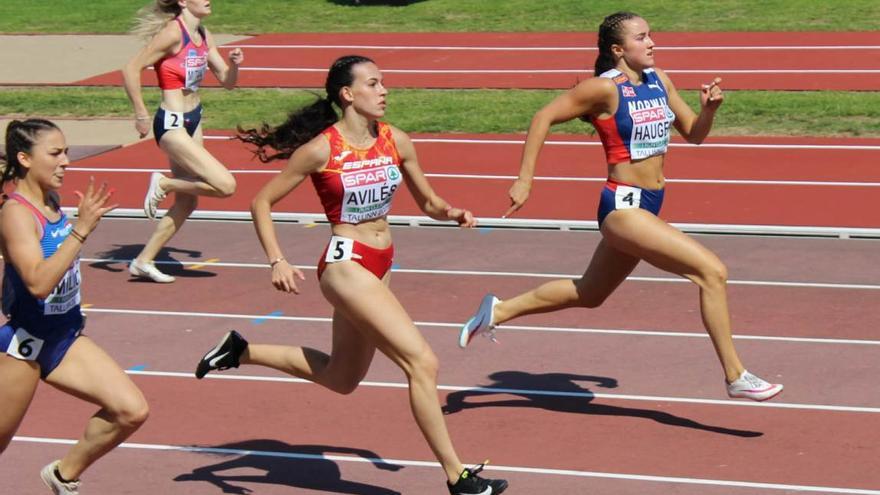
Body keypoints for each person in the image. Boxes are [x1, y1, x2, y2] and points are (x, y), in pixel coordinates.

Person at [194, 55, 508, 495]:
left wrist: (451, 212)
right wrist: (276, 259)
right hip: (345, 264)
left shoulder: (396, 140)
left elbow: (429, 202)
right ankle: (457, 477)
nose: (384, 91)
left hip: (381, 263)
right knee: (422, 362)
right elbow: (260, 202)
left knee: (342, 379)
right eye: (374, 84)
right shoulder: (322, 149)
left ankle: (241, 351)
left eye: (384, 83)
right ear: (347, 94)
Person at [459, 12, 783, 402]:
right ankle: (735, 375)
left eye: (651, 36)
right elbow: (543, 116)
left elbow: (694, 135)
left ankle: (496, 311)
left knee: (591, 293)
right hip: (622, 207)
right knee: (711, 272)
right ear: (618, 49)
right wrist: (525, 179)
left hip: (650, 204)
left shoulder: (659, 80)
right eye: (641, 37)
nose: (652, 43)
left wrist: (710, 109)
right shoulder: (603, 90)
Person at [0, 119, 149, 494]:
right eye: (55, 153)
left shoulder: (50, 199)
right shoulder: (16, 214)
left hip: (64, 337)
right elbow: (37, 282)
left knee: (131, 411)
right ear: (24, 159)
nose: (66, 161)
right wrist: (81, 230)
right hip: (25, 345)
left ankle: (63, 476)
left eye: (66, 151)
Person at [122, 0, 244, 283]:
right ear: (182, 2)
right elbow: (130, 69)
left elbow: (226, 80)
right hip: (172, 122)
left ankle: (143, 261)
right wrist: (140, 113)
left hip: (194, 118)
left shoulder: (203, 33)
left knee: (187, 203)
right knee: (226, 185)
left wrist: (235, 66)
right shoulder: (173, 33)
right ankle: (163, 183)